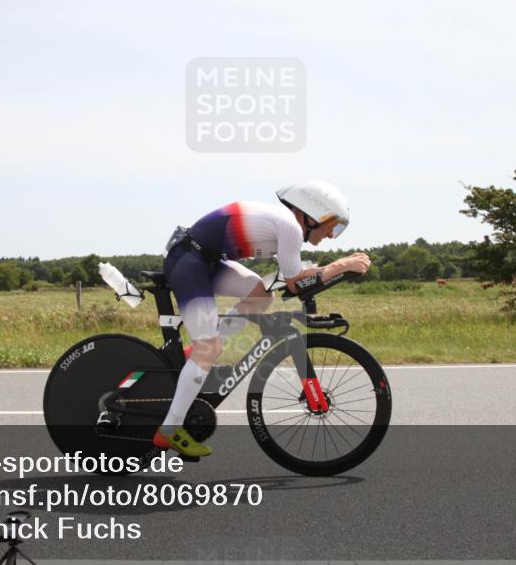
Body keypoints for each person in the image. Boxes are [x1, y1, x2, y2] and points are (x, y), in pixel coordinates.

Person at [154, 181, 371, 457]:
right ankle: (169, 429)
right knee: (209, 349)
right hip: (190, 262)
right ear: (314, 214)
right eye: (334, 226)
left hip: (204, 260)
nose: (332, 235)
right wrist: (340, 265)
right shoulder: (291, 228)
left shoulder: (285, 226)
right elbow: (295, 284)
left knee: (261, 295)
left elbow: (290, 279)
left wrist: (331, 269)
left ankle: (194, 355)